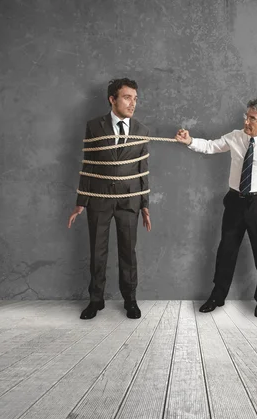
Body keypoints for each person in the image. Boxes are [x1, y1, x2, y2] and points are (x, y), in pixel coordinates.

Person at [175, 99, 257, 317]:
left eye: (252, 118)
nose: (246, 121)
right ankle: (218, 296)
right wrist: (189, 141)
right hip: (235, 201)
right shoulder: (235, 136)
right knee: (226, 251)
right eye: (246, 116)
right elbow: (210, 146)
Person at [68, 78, 151, 320]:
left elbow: (143, 170)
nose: (132, 103)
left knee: (128, 252)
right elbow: (89, 165)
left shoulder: (142, 131)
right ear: (112, 99)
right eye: (127, 97)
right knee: (98, 251)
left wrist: (145, 205)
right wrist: (81, 201)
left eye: (135, 98)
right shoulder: (94, 126)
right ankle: (96, 300)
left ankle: (130, 300)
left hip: (129, 201)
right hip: (99, 200)